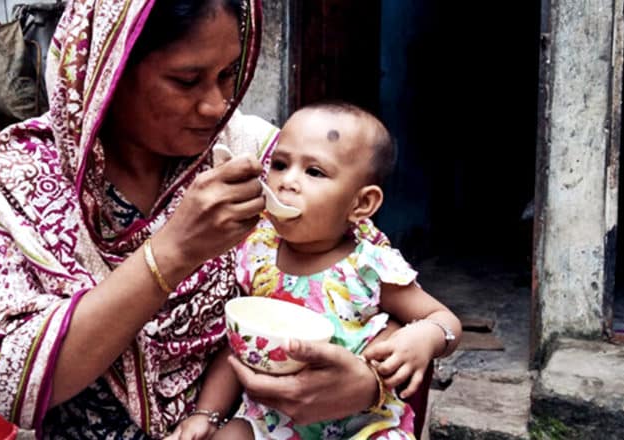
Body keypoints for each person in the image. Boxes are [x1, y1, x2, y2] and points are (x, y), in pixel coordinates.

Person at [0, 1, 413, 438]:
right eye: (187, 80)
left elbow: (369, 283)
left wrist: (369, 383)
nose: (216, 105)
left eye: (228, 75)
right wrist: (172, 253)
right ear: (109, 69)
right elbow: (7, 378)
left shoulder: (256, 156)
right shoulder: (23, 175)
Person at [166, 102, 461, 440]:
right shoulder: (257, 252)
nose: (287, 182)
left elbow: (443, 318)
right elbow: (236, 346)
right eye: (279, 165)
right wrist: (206, 414)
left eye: (314, 172)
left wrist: (425, 337)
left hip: (360, 422)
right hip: (272, 419)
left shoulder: (369, 267)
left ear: (361, 204)